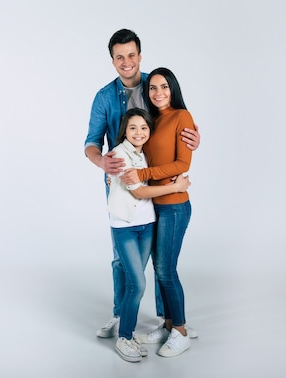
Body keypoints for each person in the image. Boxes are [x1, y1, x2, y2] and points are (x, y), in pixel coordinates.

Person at [84, 28, 200, 339]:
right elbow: (91, 143)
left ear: (140, 56)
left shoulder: (155, 87)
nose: (126, 61)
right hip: (123, 188)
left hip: (158, 185)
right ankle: (121, 315)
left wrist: (191, 139)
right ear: (112, 61)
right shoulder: (104, 97)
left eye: (131, 55)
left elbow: (175, 121)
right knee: (122, 258)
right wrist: (100, 161)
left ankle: (169, 321)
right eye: (119, 56)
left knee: (161, 260)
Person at [108, 107, 191, 362]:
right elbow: (139, 192)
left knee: (144, 278)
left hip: (148, 225)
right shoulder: (119, 155)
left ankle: (168, 328)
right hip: (125, 227)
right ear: (125, 130)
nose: (139, 132)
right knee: (138, 282)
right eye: (133, 127)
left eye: (144, 128)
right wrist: (177, 185)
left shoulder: (144, 155)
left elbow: (166, 167)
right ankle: (124, 336)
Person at [122, 67, 195, 357]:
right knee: (160, 269)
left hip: (175, 205)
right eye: (152, 88)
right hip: (154, 205)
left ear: (172, 88)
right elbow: (135, 147)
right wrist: (113, 167)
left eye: (164, 86)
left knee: (166, 269)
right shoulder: (151, 120)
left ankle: (180, 330)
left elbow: (181, 164)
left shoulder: (182, 117)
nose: (158, 92)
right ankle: (166, 324)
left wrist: (143, 173)